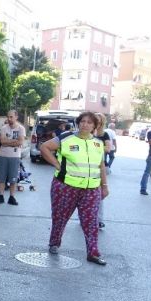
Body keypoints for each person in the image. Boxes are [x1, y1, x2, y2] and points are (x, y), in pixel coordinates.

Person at [40, 111, 109, 265]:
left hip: (91, 189)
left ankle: (93, 253)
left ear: (94, 126)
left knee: (91, 221)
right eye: (83, 121)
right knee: (60, 217)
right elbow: (44, 147)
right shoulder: (66, 138)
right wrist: (57, 164)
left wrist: (104, 186)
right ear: (78, 123)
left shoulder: (97, 143)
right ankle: (54, 243)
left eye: (89, 122)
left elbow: (101, 165)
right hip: (65, 186)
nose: (85, 124)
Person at [0, 110, 24, 206]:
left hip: (15, 157)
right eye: (8, 117)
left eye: (11, 117)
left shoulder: (21, 128)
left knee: (13, 178)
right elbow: (2, 141)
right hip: (3, 156)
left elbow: (20, 142)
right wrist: (14, 142)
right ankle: (1, 196)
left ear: (16, 117)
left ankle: (12, 197)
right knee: (1, 178)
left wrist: (8, 142)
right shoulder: (3, 128)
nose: (9, 119)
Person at [94, 113, 112, 229]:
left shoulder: (104, 134)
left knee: (99, 194)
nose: (97, 123)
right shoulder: (85, 133)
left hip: (100, 166)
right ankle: (84, 216)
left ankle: (99, 219)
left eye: (99, 122)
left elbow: (108, 148)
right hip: (84, 167)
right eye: (95, 121)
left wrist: (94, 146)